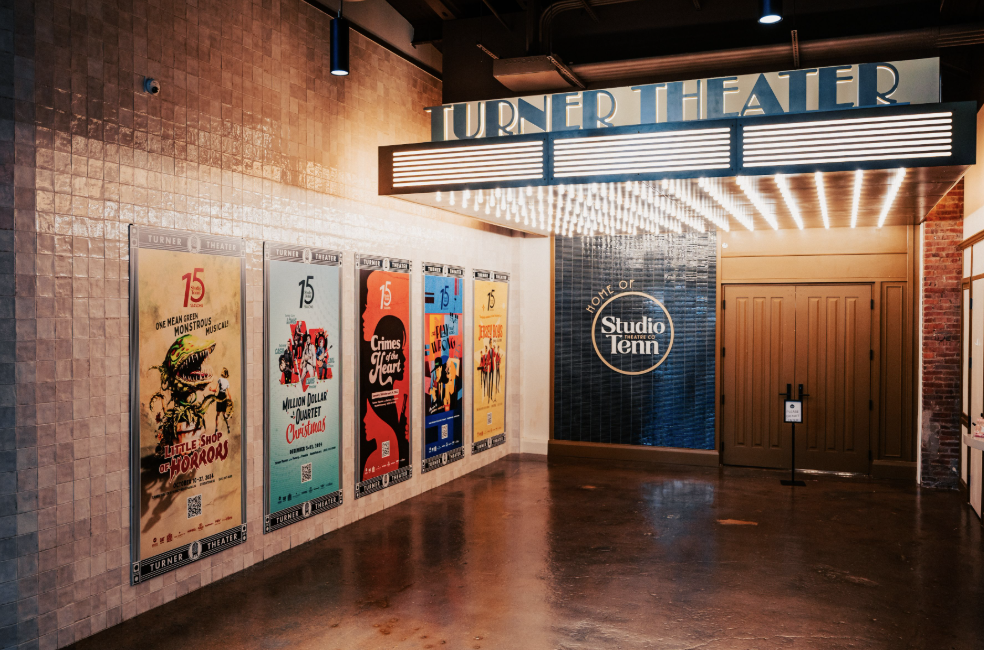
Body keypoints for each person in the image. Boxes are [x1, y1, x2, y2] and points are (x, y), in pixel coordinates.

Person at [213, 368, 232, 434]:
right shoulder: (227, 381)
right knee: (224, 413)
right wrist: (230, 400)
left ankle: (216, 429)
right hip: (224, 396)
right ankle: (228, 426)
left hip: (220, 395)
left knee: (218, 414)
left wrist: (211, 389)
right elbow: (229, 393)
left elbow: (215, 389)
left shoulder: (220, 379)